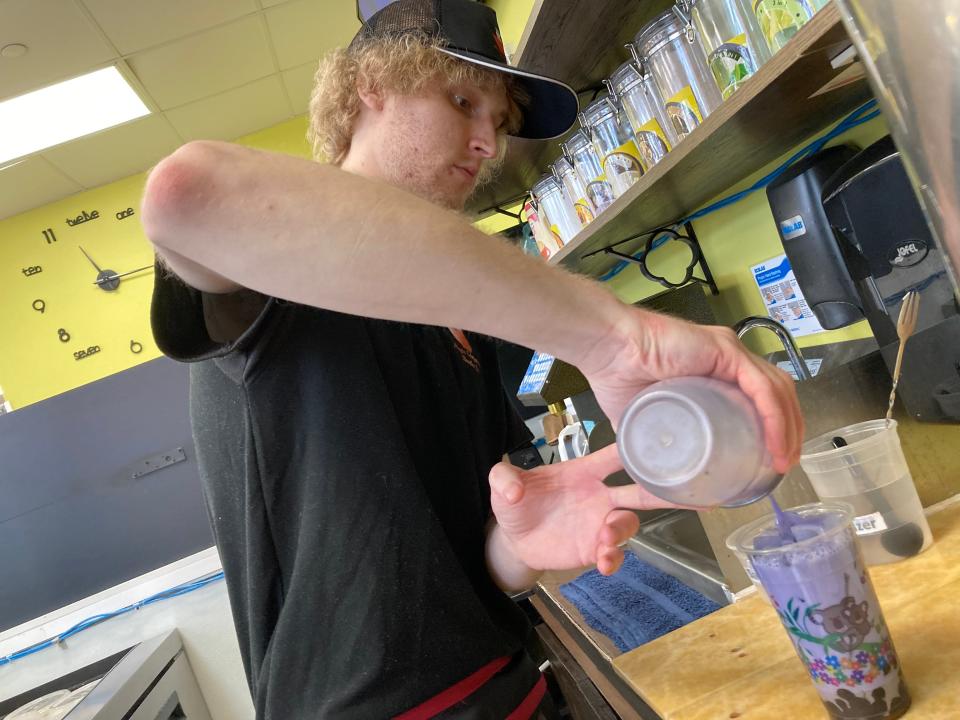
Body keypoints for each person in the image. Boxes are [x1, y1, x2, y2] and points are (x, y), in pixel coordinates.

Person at [141, 0, 804, 717]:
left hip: (517, 690)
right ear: (371, 86)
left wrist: (524, 546)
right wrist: (613, 336)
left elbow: (476, 561)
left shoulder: (464, 318)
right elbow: (187, 196)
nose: (489, 143)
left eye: (499, 120)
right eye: (462, 101)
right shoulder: (275, 270)